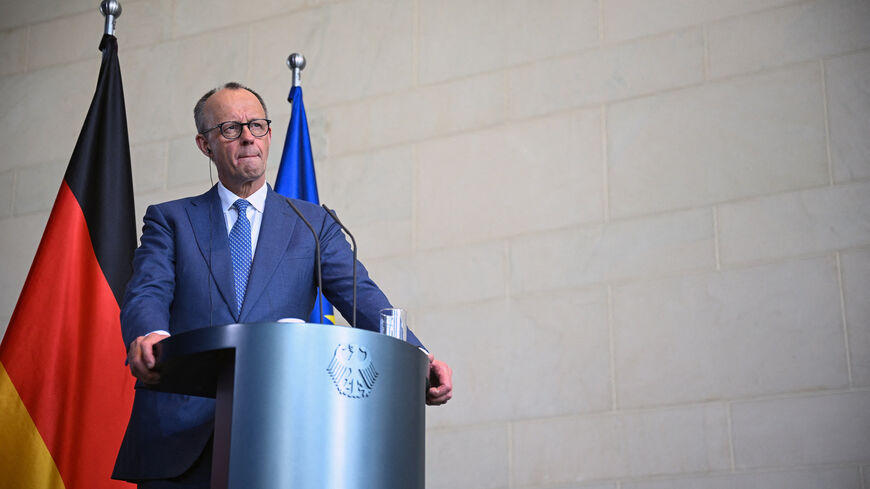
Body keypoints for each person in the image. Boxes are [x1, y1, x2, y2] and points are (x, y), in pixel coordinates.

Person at [112, 82, 453, 487]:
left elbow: (361, 297)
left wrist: (420, 357)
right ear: (205, 145)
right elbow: (147, 290)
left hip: (282, 438)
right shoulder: (170, 220)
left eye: (257, 125)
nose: (248, 137)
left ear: (270, 134)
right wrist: (150, 335)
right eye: (230, 128)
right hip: (179, 437)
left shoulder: (313, 223)